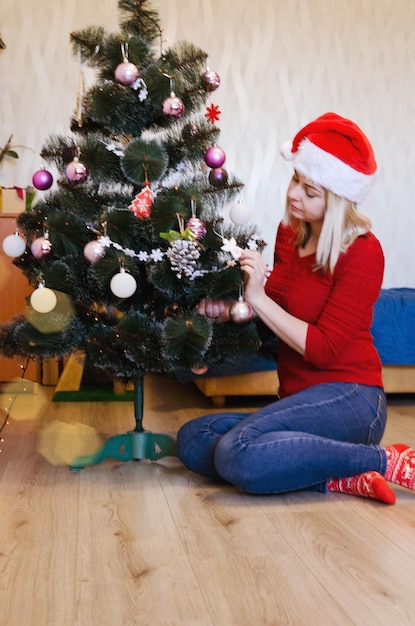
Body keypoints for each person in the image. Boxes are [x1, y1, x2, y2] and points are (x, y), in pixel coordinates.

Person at [176, 112, 415, 505]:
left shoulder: (363, 251)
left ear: (337, 199)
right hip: (295, 400)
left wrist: (258, 298)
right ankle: (339, 477)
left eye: (310, 190)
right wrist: (233, 309)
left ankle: (384, 460)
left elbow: (323, 348)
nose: (293, 195)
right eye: (295, 181)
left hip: (352, 401)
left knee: (237, 453)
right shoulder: (290, 234)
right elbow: (279, 318)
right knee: (193, 439)